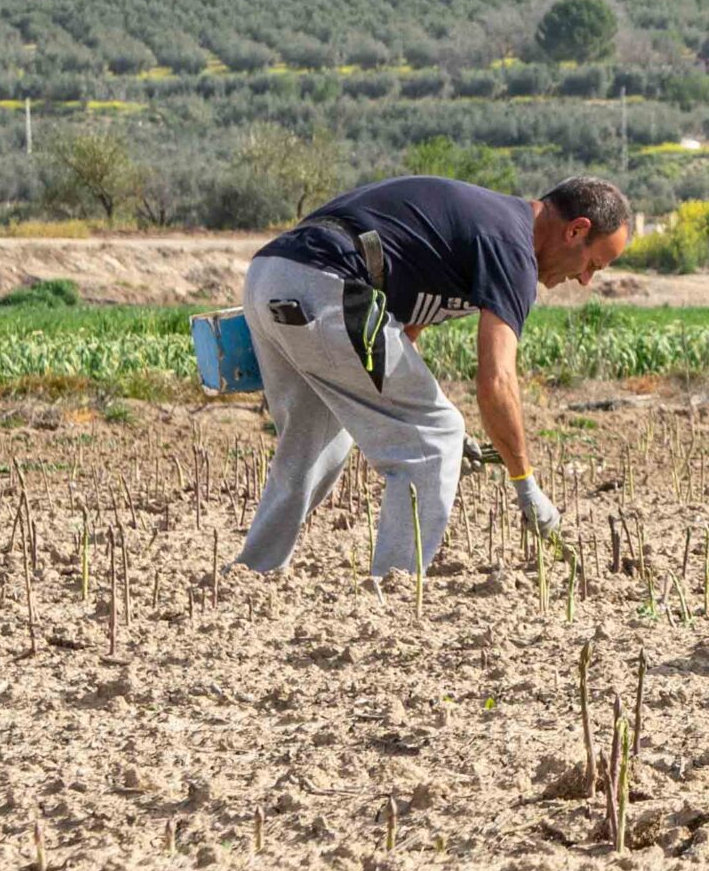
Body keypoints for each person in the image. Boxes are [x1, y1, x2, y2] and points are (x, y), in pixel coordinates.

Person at [232, 174, 632, 577]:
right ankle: (397, 591)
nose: (584, 280)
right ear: (576, 230)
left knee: (315, 445)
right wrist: (525, 483)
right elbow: (497, 379)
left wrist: (453, 433)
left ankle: (252, 576)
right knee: (433, 440)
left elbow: (403, 337)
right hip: (327, 282)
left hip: (272, 275)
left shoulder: (481, 230)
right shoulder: (513, 248)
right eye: (592, 265)